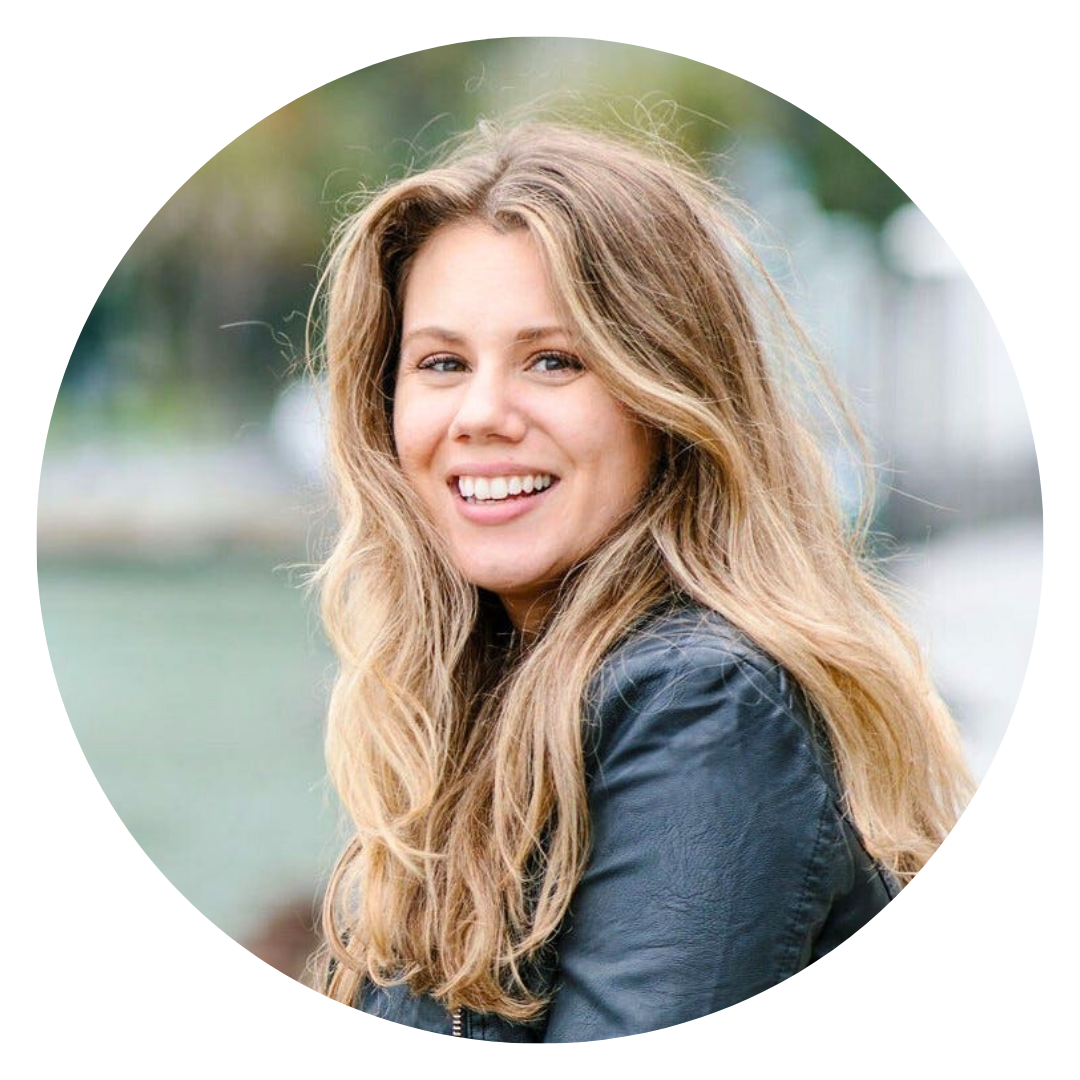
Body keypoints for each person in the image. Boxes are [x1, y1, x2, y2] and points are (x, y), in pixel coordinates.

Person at [310, 119, 973, 1041]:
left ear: (665, 397)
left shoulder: (702, 706)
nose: (482, 414)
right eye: (442, 364)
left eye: (555, 360)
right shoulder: (484, 700)